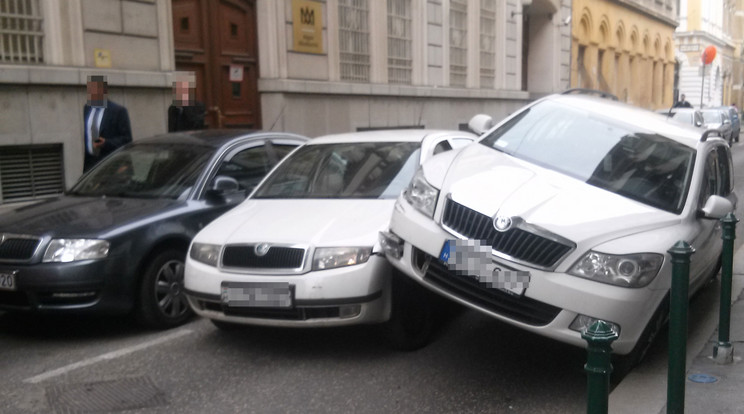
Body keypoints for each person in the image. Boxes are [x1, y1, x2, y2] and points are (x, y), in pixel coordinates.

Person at [83, 75, 133, 172]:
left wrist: (106, 143)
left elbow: (127, 139)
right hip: (91, 164)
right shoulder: (87, 109)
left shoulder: (118, 111)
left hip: (111, 163)